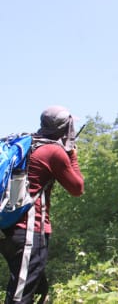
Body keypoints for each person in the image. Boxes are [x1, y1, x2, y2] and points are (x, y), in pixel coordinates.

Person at [0, 105, 84, 303]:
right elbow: (77, 188)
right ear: (66, 129)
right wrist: (71, 154)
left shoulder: (29, 143)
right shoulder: (53, 152)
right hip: (29, 230)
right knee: (20, 295)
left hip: (8, 229)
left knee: (38, 288)